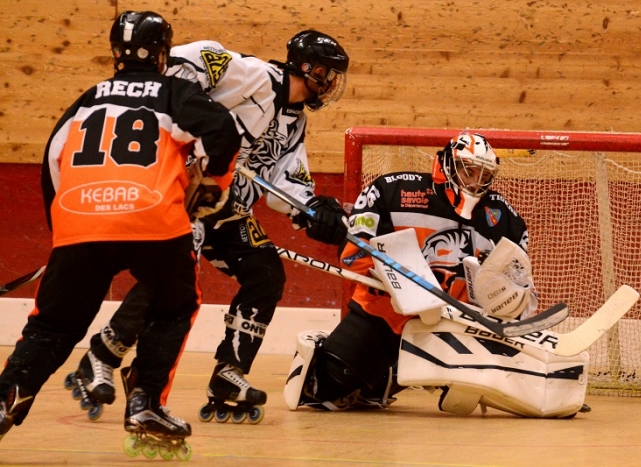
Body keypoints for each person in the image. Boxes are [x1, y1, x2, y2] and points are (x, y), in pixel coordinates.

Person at [67, 29, 351, 424]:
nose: (332, 84)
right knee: (172, 274)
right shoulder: (256, 76)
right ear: (309, 69)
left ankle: (227, 374)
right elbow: (198, 56)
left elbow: (286, 188)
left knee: (265, 273)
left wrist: (316, 210)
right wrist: (196, 113)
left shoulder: (294, 123)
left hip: (229, 211)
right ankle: (104, 352)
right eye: (329, 73)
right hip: (189, 198)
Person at [0, 10, 241, 455]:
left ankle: (6, 396)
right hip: (153, 221)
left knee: (51, 327)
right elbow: (222, 130)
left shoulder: (86, 100)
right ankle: (146, 401)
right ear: (163, 52)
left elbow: (52, 165)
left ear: (115, 53)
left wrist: (65, 234)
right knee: (174, 306)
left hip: (79, 222)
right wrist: (211, 184)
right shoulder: (174, 91)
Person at [282, 132, 590, 418]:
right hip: (383, 316)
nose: (476, 182)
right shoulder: (393, 190)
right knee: (326, 392)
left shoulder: (505, 221)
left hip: (454, 325)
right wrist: (392, 275)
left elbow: (523, 294)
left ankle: (546, 385)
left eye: (484, 175)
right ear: (446, 165)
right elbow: (353, 254)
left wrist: (512, 300)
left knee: (490, 382)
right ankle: (384, 373)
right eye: (469, 171)